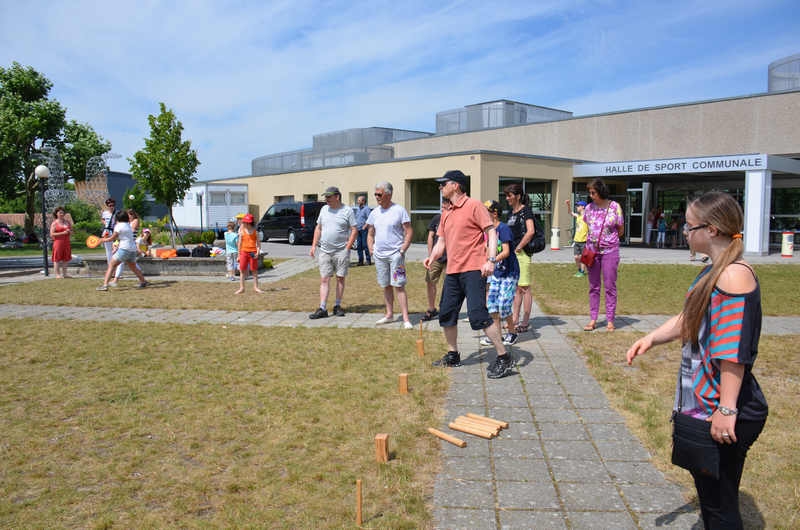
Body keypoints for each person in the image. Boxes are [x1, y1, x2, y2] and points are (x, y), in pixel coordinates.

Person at [626, 191, 768, 529]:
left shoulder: (732, 276)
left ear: (712, 229)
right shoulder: (715, 270)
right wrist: (652, 338)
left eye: (690, 227)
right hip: (707, 405)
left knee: (719, 509)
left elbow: (732, 351)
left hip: (723, 409)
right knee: (712, 500)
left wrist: (726, 409)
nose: (685, 232)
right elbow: (690, 317)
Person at [426, 170, 512, 379]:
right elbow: (441, 242)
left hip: (473, 269)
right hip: (453, 271)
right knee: (446, 313)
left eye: (443, 183)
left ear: (455, 185)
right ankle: (453, 354)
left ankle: (504, 357)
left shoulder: (474, 205)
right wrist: (432, 257)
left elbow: (491, 232)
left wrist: (491, 260)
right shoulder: (446, 212)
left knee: (478, 315)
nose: (440, 187)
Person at [365, 181, 413, 329]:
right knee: (385, 285)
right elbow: (370, 234)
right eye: (375, 194)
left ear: (388, 194)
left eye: (379, 194)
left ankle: (406, 319)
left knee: (399, 285)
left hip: (396, 255)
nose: (376, 197)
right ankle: (389, 314)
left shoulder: (399, 210)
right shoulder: (374, 213)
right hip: (380, 256)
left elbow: (409, 231)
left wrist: (402, 250)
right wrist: (371, 250)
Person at [308, 186, 357, 319]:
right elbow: (318, 228)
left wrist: (347, 248)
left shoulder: (347, 211)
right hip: (325, 251)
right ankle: (322, 308)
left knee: (340, 278)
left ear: (337, 197)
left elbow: (354, 230)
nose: (326, 199)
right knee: (324, 279)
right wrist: (313, 246)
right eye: (326, 197)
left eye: (329, 197)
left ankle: (337, 305)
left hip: (341, 251)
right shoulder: (324, 209)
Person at [582, 178, 624, 331]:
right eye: (590, 193)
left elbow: (620, 230)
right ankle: (593, 319)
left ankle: (610, 320)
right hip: (592, 252)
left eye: (593, 192)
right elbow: (587, 226)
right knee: (593, 286)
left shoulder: (615, 207)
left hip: (610, 252)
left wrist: (608, 240)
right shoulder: (588, 208)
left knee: (609, 286)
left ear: (601, 192)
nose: (591, 195)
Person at [478, 200, 520, 346]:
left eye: (486, 211)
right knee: (492, 305)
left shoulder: (503, 228)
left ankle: (512, 333)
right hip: (496, 273)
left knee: (504, 305)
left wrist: (492, 261)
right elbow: (487, 249)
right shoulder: (488, 230)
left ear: (494, 213)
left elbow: (506, 251)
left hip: (509, 273)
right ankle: (497, 336)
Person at [504, 183, 535, 333]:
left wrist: (519, 247)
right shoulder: (511, 213)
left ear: (517, 196)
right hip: (512, 254)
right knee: (516, 288)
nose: (507, 198)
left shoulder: (525, 211)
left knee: (525, 287)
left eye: (509, 195)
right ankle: (515, 319)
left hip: (522, 253)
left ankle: (525, 321)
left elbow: (530, 231)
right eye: (506, 195)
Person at [96, 210, 148, 290]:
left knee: (111, 265)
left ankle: (105, 285)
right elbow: (119, 236)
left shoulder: (118, 226)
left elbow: (112, 238)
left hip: (124, 249)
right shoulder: (128, 225)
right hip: (132, 249)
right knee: (133, 267)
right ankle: (143, 282)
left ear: (118, 218)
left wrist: (102, 240)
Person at [422, 198, 450, 322]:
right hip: (436, 257)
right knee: (430, 281)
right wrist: (430, 255)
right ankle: (431, 309)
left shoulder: (454, 219)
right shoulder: (436, 219)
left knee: (449, 284)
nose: (442, 209)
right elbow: (430, 237)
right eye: (441, 207)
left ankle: (446, 309)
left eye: (444, 207)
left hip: (450, 258)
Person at [236, 213, 263, 295]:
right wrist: (238, 255)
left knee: (254, 271)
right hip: (244, 252)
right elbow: (239, 244)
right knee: (242, 271)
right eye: (243, 222)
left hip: (253, 253)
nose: (243, 224)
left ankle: (256, 287)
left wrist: (257, 252)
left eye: (245, 222)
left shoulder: (255, 232)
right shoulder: (242, 232)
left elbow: (258, 245)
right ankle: (242, 288)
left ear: (249, 223)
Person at [112, 209, 140, 285]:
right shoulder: (127, 223)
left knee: (125, 263)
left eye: (130, 214)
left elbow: (130, 231)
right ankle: (142, 280)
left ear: (133, 215)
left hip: (130, 245)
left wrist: (121, 227)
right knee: (132, 264)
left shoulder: (135, 221)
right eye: (127, 215)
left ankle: (115, 280)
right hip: (126, 245)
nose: (128, 216)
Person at [566, 199, 588, 277]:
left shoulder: (586, 217)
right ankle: (579, 270)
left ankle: (582, 271)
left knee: (582, 257)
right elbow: (570, 213)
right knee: (576, 257)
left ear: (583, 207)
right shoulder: (578, 216)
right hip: (577, 240)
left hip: (584, 241)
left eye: (578, 206)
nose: (577, 207)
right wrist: (568, 205)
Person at [49, 206, 72, 279]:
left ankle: (65, 274)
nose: (62, 214)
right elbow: (51, 234)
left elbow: (71, 231)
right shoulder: (54, 223)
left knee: (66, 258)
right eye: (60, 213)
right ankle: (57, 274)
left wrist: (70, 232)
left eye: (63, 213)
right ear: (56, 214)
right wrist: (63, 233)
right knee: (57, 258)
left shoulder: (67, 222)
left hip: (66, 242)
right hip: (58, 243)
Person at [354, 195, 372, 266]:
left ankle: (368, 260)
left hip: (364, 230)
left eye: (359, 200)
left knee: (365, 245)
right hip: (358, 229)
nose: (357, 201)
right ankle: (360, 261)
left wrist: (365, 226)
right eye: (357, 200)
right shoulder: (358, 209)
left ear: (363, 201)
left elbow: (370, 218)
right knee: (359, 246)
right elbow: (356, 218)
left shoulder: (367, 209)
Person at [100, 198, 117, 263]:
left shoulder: (117, 213)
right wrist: (106, 224)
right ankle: (110, 263)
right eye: (110, 205)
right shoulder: (105, 213)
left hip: (115, 232)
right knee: (108, 249)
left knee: (116, 248)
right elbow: (102, 219)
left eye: (113, 205)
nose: (112, 207)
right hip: (107, 232)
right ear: (107, 206)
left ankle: (115, 263)